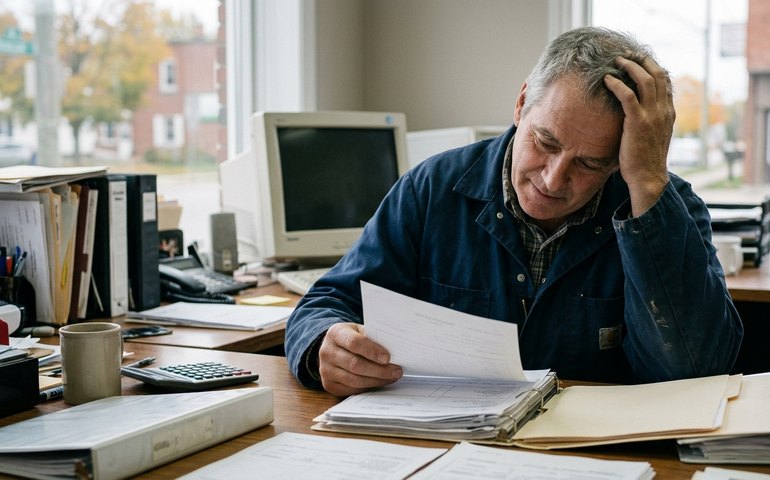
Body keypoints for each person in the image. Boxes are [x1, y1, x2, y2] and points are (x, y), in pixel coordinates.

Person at [284, 26, 743, 397]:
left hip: (598, 461)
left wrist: (647, 184)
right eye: (545, 142)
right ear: (522, 103)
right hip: (451, 450)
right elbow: (326, 303)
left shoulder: (665, 204)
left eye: (590, 163)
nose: (553, 179)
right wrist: (324, 344)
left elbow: (694, 371)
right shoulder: (431, 189)